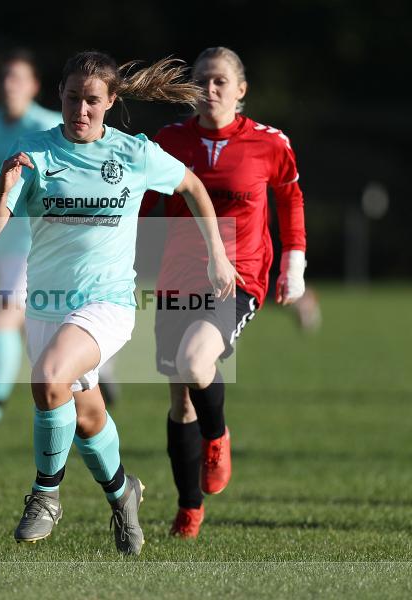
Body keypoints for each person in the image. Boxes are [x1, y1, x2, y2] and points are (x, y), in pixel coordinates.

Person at [0, 51, 240, 555]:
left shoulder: (134, 154)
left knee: (49, 378)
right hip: (47, 305)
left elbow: (191, 186)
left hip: (109, 304)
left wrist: (217, 257)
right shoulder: (33, 152)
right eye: (73, 98)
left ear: (111, 101)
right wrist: (4, 189)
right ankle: (124, 495)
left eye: (92, 100)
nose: (81, 109)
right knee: (87, 416)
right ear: (59, 96)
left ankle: (46, 495)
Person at [140, 46, 308, 538]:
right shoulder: (168, 141)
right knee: (180, 403)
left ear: (240, 90)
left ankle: (218, 436)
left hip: (239, 277)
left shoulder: (269, 143)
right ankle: (189, 508)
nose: (209, 91)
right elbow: (141, 203)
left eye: (219, 82)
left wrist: (293, 263)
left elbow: (290, 198)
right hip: (177, 276)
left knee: (196, 364)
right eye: (201, 82)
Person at [0, 50, 62, 425]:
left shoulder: (50, 126)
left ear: (34, 85)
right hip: (3, 241)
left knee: (6, 315)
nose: (10, 85)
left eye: (18, 78)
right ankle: (98, 375)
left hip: (43, 241)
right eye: (5, 77)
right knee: (36, 319)